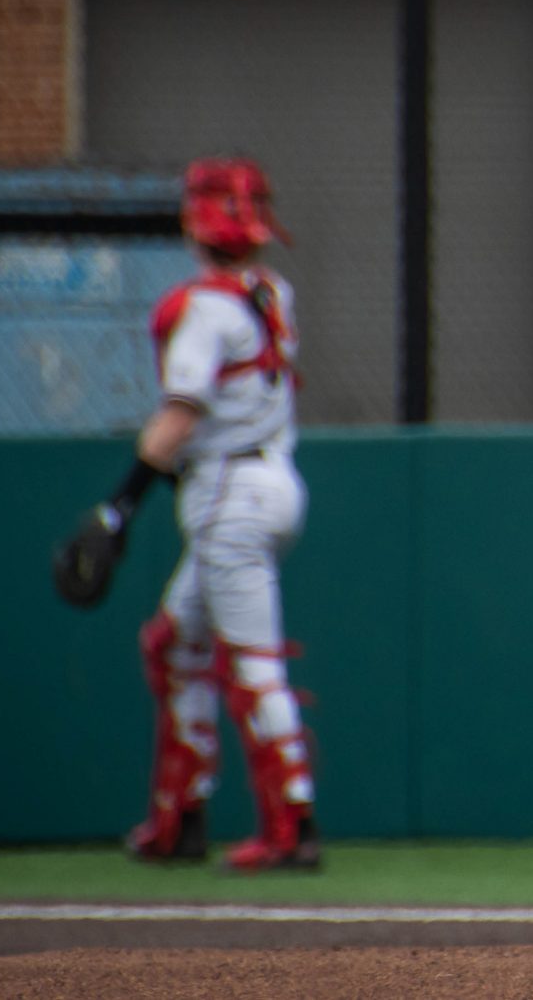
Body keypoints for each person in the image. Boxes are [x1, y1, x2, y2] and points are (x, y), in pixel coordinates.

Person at [112, 157, 319, 872]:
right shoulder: (272, 290)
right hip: (266, 481)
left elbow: (178, 417)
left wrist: (120, 505)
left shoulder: (202, 308)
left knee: (253, 664)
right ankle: (180, 818)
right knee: (174, 642)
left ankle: (292, 827)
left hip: (232, 496)